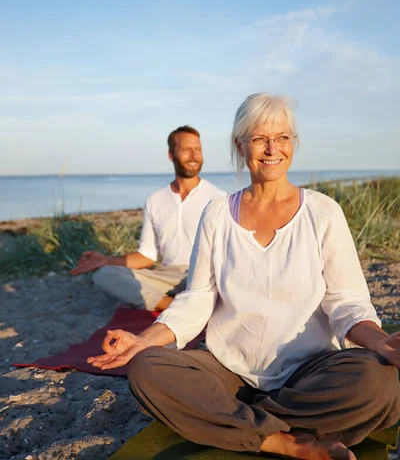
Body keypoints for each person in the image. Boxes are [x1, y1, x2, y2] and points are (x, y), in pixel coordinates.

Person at [87, 94, 400, 460]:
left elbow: (346, 301)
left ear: (293, 144)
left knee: (377, 379)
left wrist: (379, 342)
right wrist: (144, 340)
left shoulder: (323, 212)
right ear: (240, 145)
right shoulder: (218, 214)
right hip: (230, 372)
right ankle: (284, 441)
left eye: (282, 137)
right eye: (259, 138)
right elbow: (197, 298)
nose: (272, 149)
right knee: (146, 367)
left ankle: (239, 425)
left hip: (310, 370)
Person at [71, 125, 224, 311]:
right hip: (167, 276)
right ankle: (172, 307)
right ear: (171, 155)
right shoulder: (155, 200)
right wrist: (106, 260)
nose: (194, 155)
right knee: (105, 275)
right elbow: (147, 256)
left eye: (198, 149)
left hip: (204, 275)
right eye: (186, 149)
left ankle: (176, 306)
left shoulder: (218, 198)